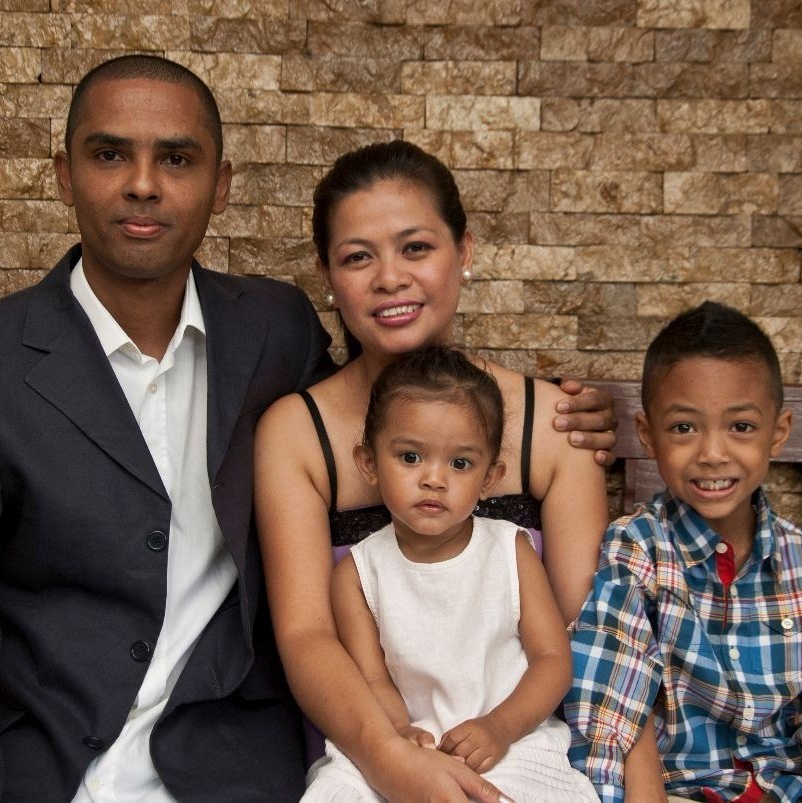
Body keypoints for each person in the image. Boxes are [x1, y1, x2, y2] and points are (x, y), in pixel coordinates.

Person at [0, 54, 337, 801]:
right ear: (62, 174)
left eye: (176, 158)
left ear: (221, 185)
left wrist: (535, 420)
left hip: (230, 763)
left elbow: (375, 431)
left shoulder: (277, 330)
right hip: (41, 762)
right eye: (110, 152)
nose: (143, 183)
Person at [255, 140, 611, 801]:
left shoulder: (551, 425)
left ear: (463, 251)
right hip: (367, 745)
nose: (390, 277)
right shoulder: (297, 434)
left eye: (415, 247)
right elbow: (305, 632)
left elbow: (586, 633)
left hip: (517, 742)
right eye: (358, 256)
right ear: (327, 275)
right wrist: (390, 756)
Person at [303, 344, 601, 802]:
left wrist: (500, 728)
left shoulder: (509, 550)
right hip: (402, 743)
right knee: (337, 791)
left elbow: (552, 661)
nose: (434, 479)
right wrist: (402, 736)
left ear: (488, 477)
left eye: (460, 463)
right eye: (409, 457)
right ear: (369, 463)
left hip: (510, 741)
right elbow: (373, 679)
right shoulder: (358, 574)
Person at [565, 301, 802, 803]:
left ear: (777, 434)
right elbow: (611, 702)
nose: (712, 453)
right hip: (681, 791)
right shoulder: (636, 550)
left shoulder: (797, 560)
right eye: (684, 428)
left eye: (740, 427)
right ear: (649, 435)